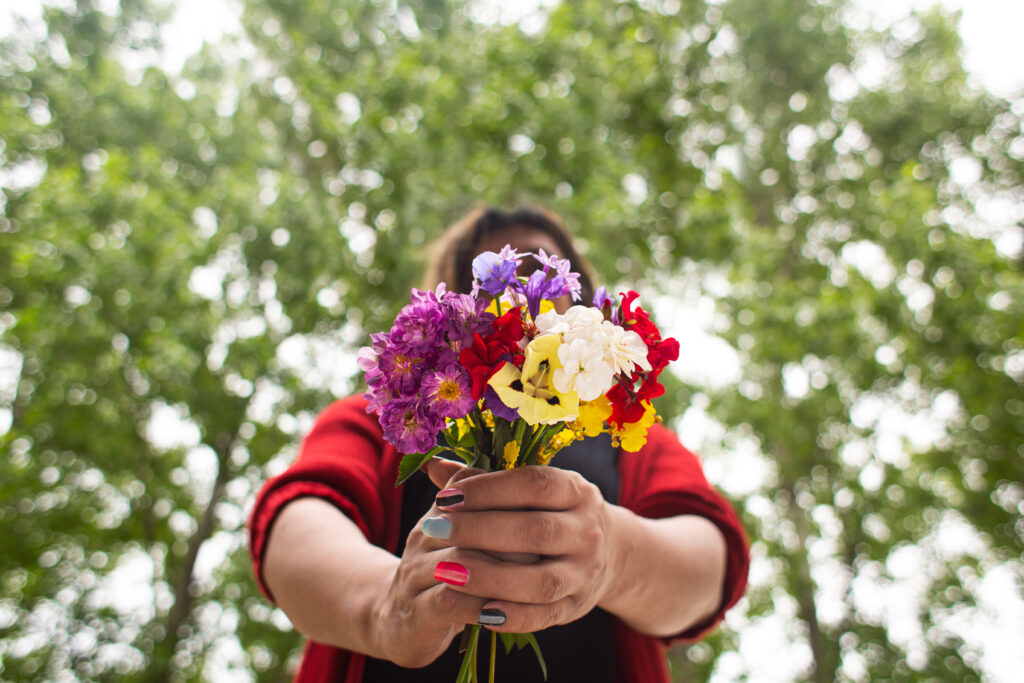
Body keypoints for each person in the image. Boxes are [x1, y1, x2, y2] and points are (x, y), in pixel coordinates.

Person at [248, 206, 750, 683]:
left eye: (543, 279)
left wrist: (615, 556)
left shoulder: (634, 437)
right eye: (484, 281)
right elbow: (296, 526)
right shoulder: (382, 418)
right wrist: (388, 607)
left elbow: (710, 566)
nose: (515, 297)